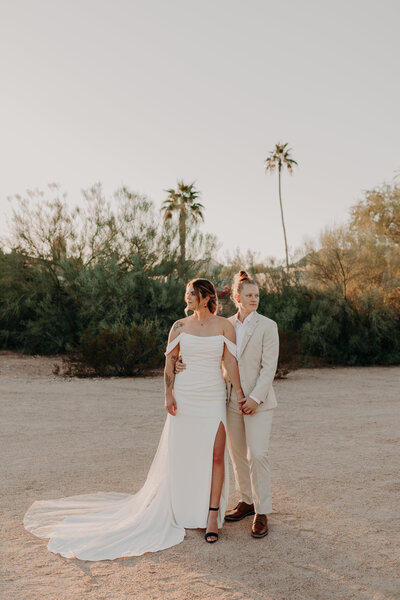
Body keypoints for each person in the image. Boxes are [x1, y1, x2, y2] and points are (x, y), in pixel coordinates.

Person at [23, 278, 243, 559]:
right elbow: (170, 361)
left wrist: (239, 393)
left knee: (215, 456)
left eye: (191, 294)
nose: (186, 297)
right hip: (186, 396)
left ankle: (212, 514)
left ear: (205, 297)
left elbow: (230, 362)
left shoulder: (225, 326)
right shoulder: (179, 326)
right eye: (186, 293)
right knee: (184, 454)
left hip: (212, 395)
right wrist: (168, 394)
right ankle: (184, 509)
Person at [176, 270, 279, 538]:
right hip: (229, 399)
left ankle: (262, 511)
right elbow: (218, 358)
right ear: (236, 297)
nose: (254, 299)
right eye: (248, 295)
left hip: (258, 401)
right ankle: (245, 501)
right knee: (236, 454)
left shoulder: (268, 326)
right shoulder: (225, 324)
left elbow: (269, 368)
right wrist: (180, 362)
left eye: (257, 295)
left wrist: (255, 398)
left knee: (257, 453)